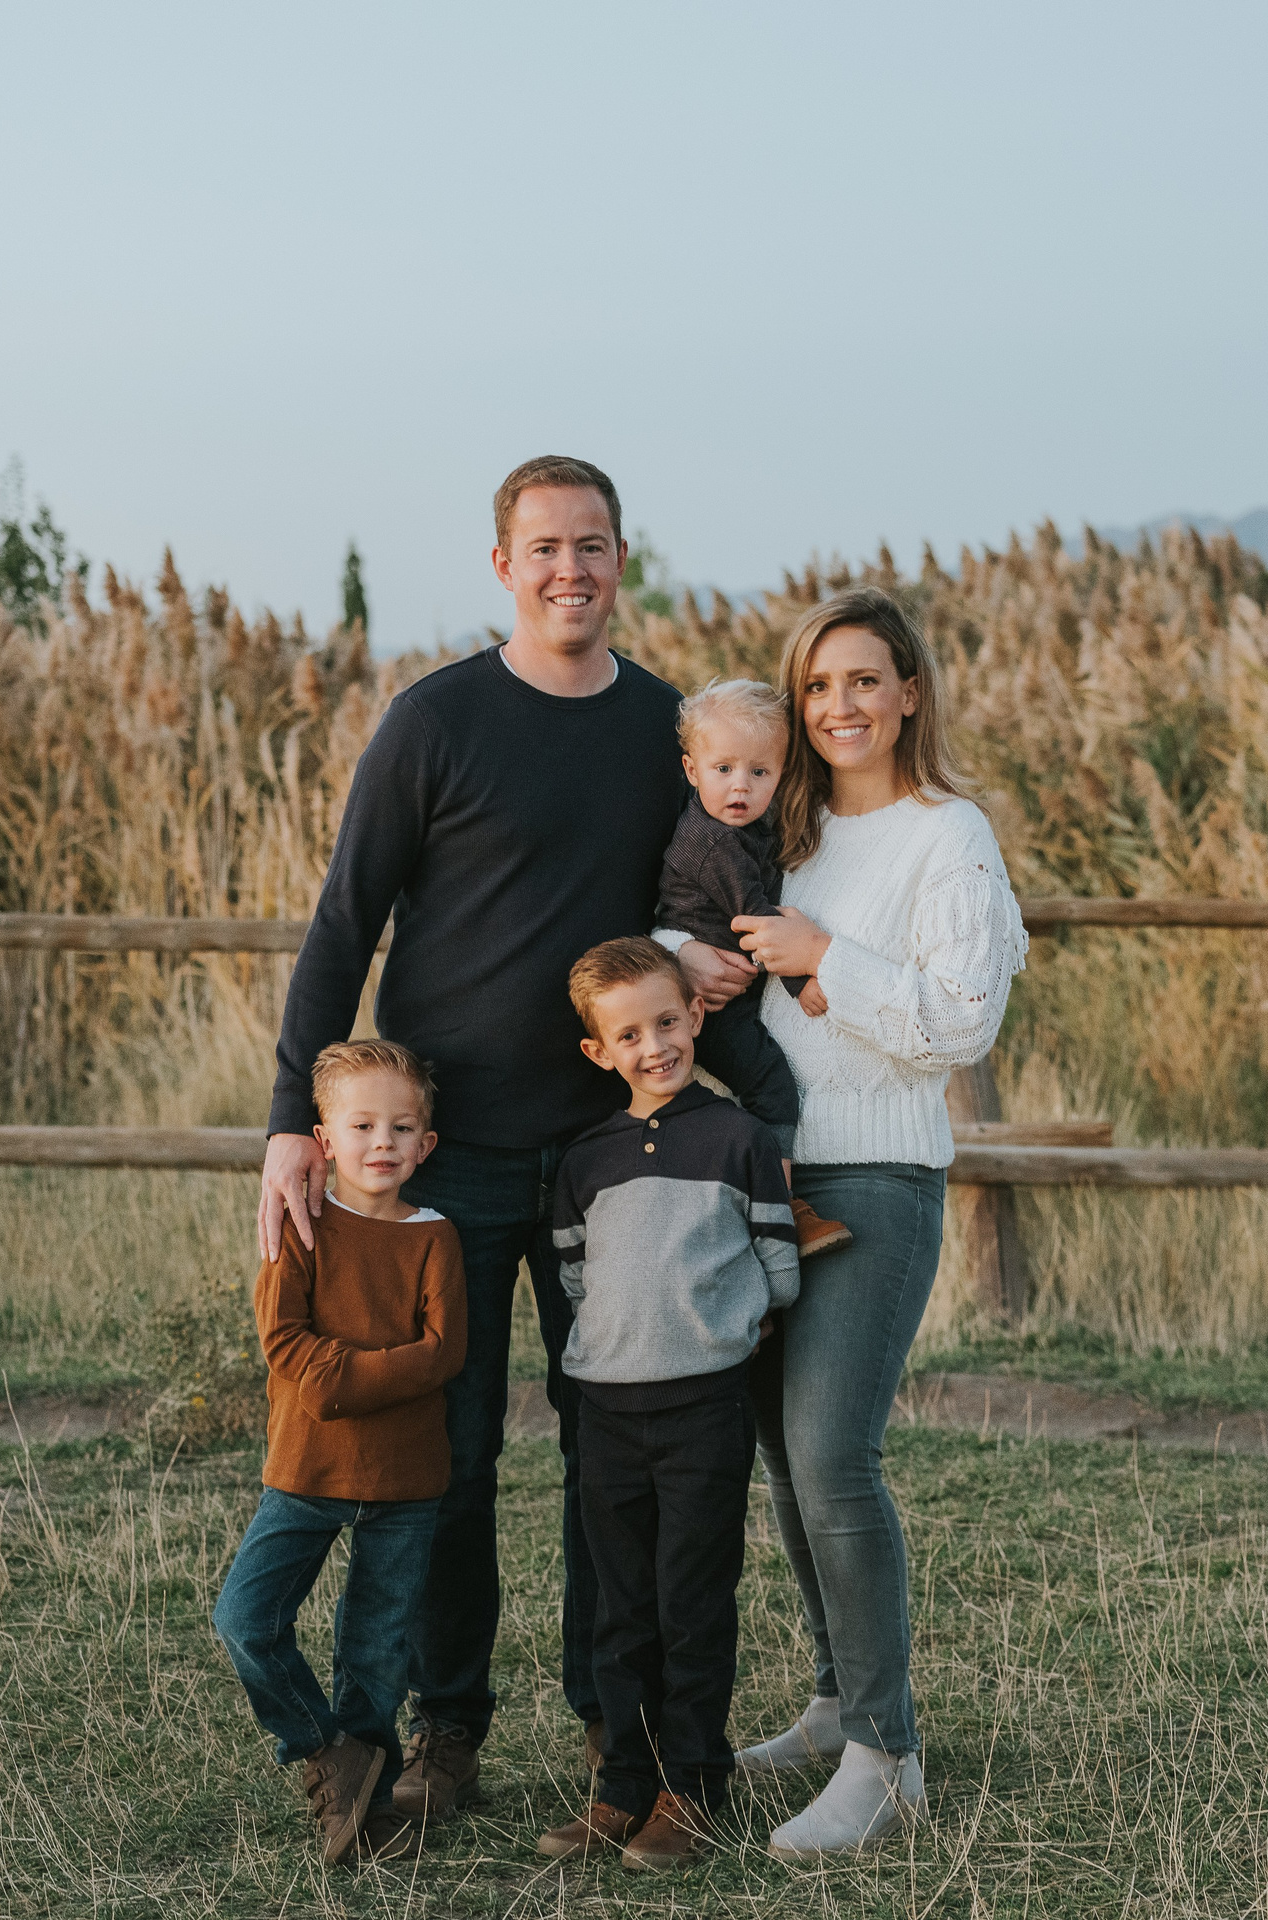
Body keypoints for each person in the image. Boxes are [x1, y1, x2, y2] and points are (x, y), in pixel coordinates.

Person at [256, 456, 751, 1816]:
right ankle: (448, 1735)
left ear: (622, 558)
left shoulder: (661, 730)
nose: (569, 570)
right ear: (501, 565)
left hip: (614, 1158)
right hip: (451, 1159)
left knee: (615, 1455)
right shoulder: (436, 722)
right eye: (543, 548)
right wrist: (295, 1121)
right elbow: (346, 920)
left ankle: (621, 1728)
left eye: (591, 545)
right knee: (449, 1460)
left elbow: (699, 898)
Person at [722, 587, 1029, 1859]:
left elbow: (961, 1023)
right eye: (816, 688)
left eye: (863, 681)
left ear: (909, 692)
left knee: (833, 1454)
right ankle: (836, 1699)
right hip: (760, 1183)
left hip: (876, 1182)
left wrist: (818, 955)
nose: (839, 706)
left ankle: (886, 1756)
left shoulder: (946, 835)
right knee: (785, 1464)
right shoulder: (776, 836)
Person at [532, 938, 800, 1870]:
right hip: (607, 1410)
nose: (654, 1046)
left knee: (691, 1600)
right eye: (629, 1035)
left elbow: (777, 1268)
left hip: (703, 1410)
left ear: (695, 1018)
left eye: (667, 1022)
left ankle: (691, 1786)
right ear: (598, 1053)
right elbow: (575, 1276)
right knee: (620, 1605)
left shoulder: (738, 1139)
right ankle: (623, 1787)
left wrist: (725, 1326)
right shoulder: (585, 1158)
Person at [211, 1039, 466, 1867]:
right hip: (307, 1470)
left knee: (377, 1651)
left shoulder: (435, 1238)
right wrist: (347, 1378)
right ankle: (325, 1754)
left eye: (401, 1127)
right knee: (247, 1619)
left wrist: (339, 1380)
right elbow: (286, 1341)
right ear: (324, 1139)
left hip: (406, 1476)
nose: (381, 1142)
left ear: (426, 1145)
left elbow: (443, 1354)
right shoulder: (301, 1222)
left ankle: (365, 1811)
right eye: (362, 1125)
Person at [653, 677, 851, 1259]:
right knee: (772, 1088)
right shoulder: (712, 843)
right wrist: (801, 981)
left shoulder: (739, 829)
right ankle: (780, 1208)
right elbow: (753, 916)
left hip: (722, 995)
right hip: (707, 1005)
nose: (741, 785)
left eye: (760, 773)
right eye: (724, 770)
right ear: (692, 770)